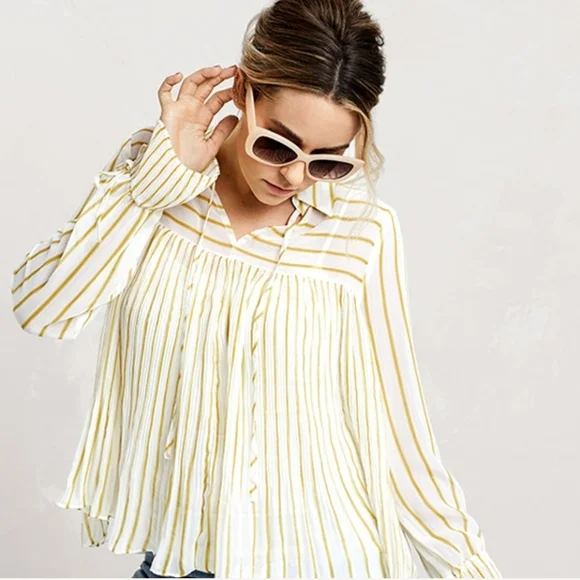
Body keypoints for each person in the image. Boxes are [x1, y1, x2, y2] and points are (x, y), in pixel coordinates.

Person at [10, 0, 502, 577]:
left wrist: (469, 569)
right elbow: (43, 308)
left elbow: (400, 434)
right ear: (242, 92)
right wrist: (154, 184)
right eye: (277, 145)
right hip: (181, 562)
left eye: (327, 162)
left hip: (323, 560)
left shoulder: (362, 231)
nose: (293, 176)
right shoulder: (155, 179)